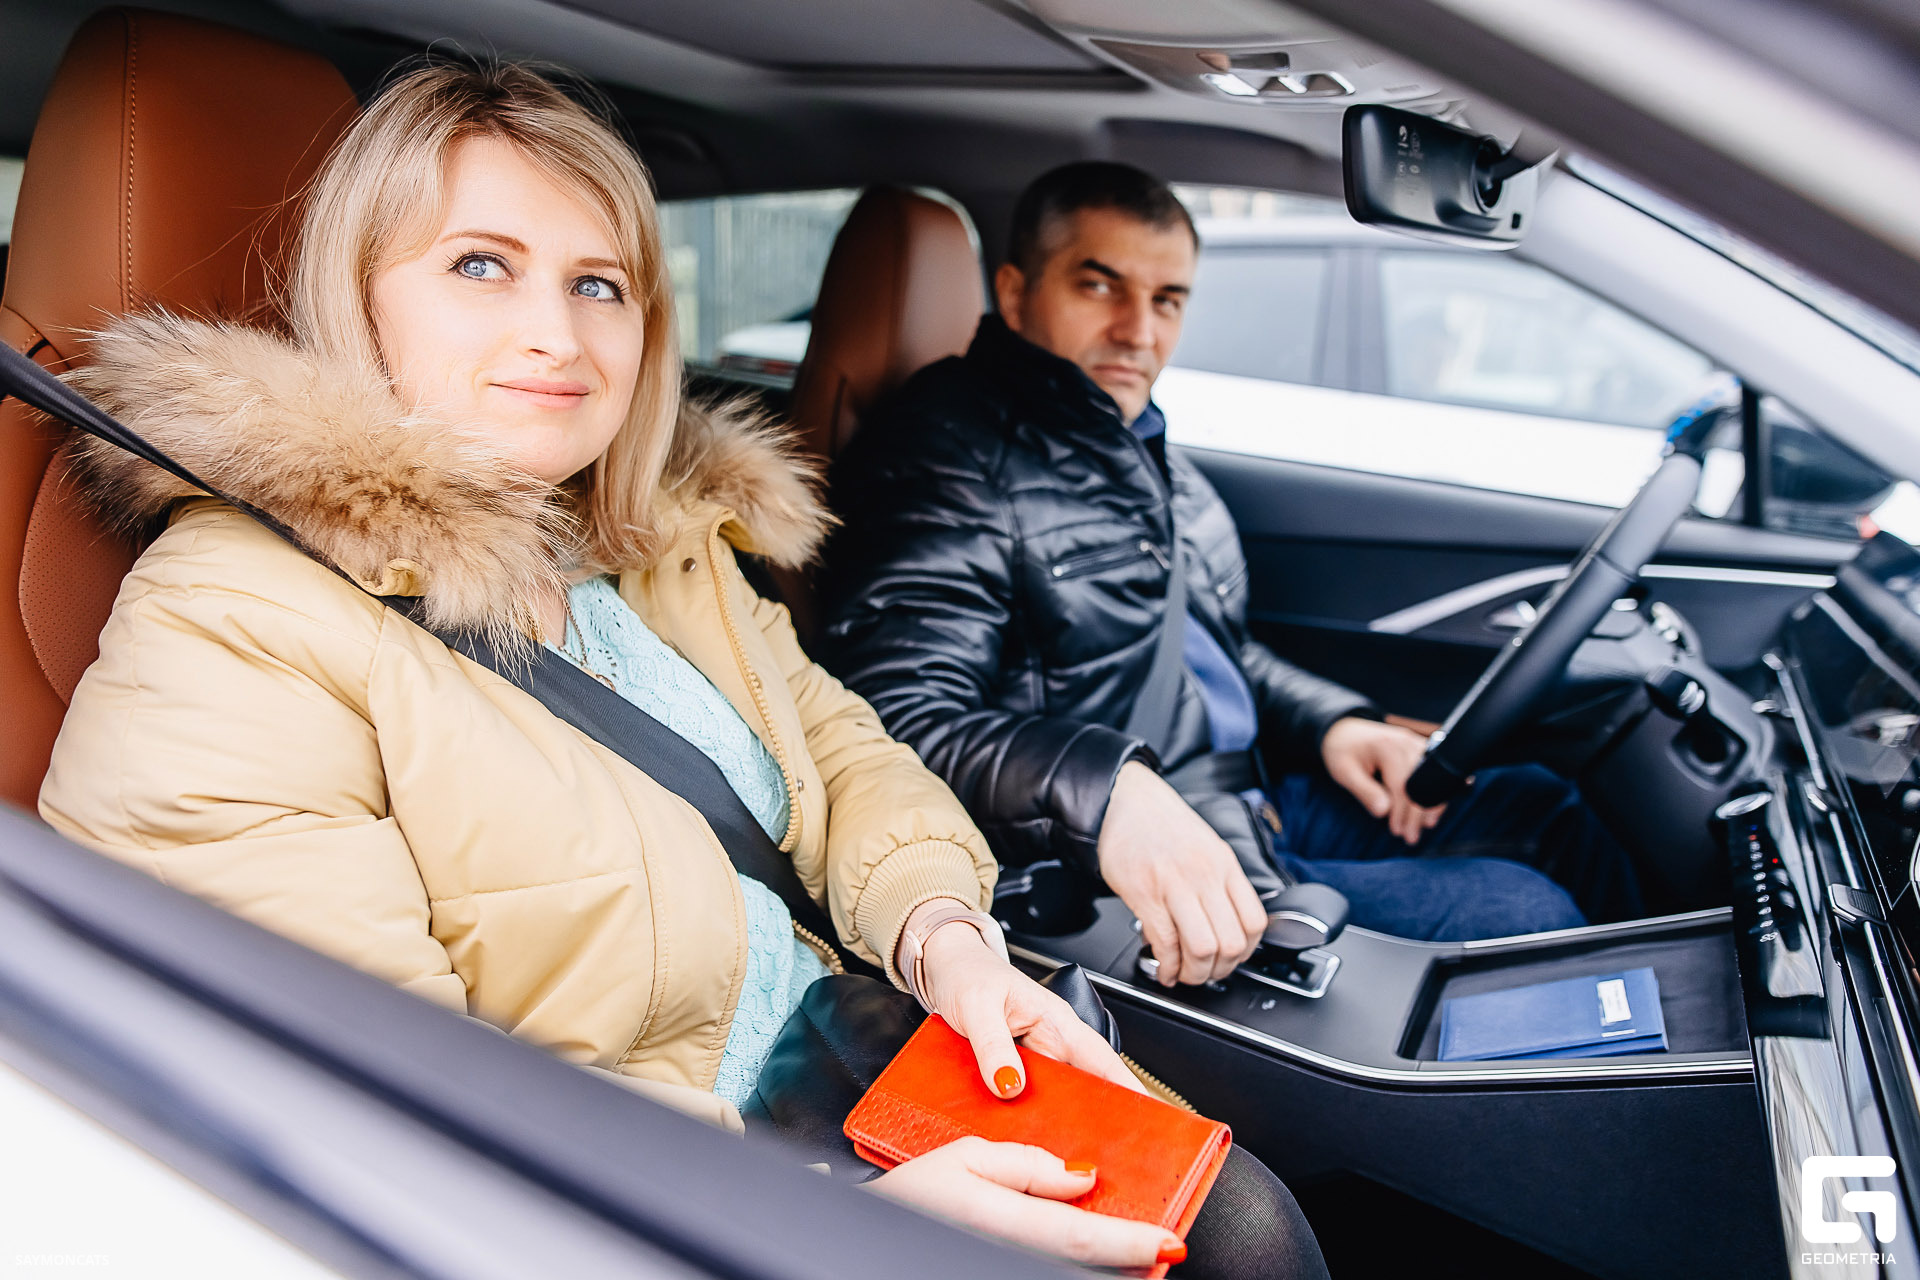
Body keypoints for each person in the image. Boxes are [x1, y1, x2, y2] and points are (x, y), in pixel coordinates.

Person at [35, 66, 1325, 1279]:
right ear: (357, 297)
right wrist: (837, 1218)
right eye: (481, 265)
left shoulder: (657, 548)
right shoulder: (233, 621)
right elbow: (383, 1122)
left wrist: (946, 938)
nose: (557, 334)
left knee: (1247, 1226)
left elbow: (847, 752)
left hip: (855, 1048)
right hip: (651, 1192)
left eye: (599, 284)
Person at [817, 162, 1644, 988]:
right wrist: (1110, 793)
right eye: (1100, 286)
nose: (1139, 331)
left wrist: (1334, 726)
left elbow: (1216, 652)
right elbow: (898, 719)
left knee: (1544, 805)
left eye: (1167, 299)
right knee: (1522, 912)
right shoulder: (944, 456)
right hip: (1126, 859)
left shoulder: (1135, 445)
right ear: (1014, 290)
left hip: (1248, 800)